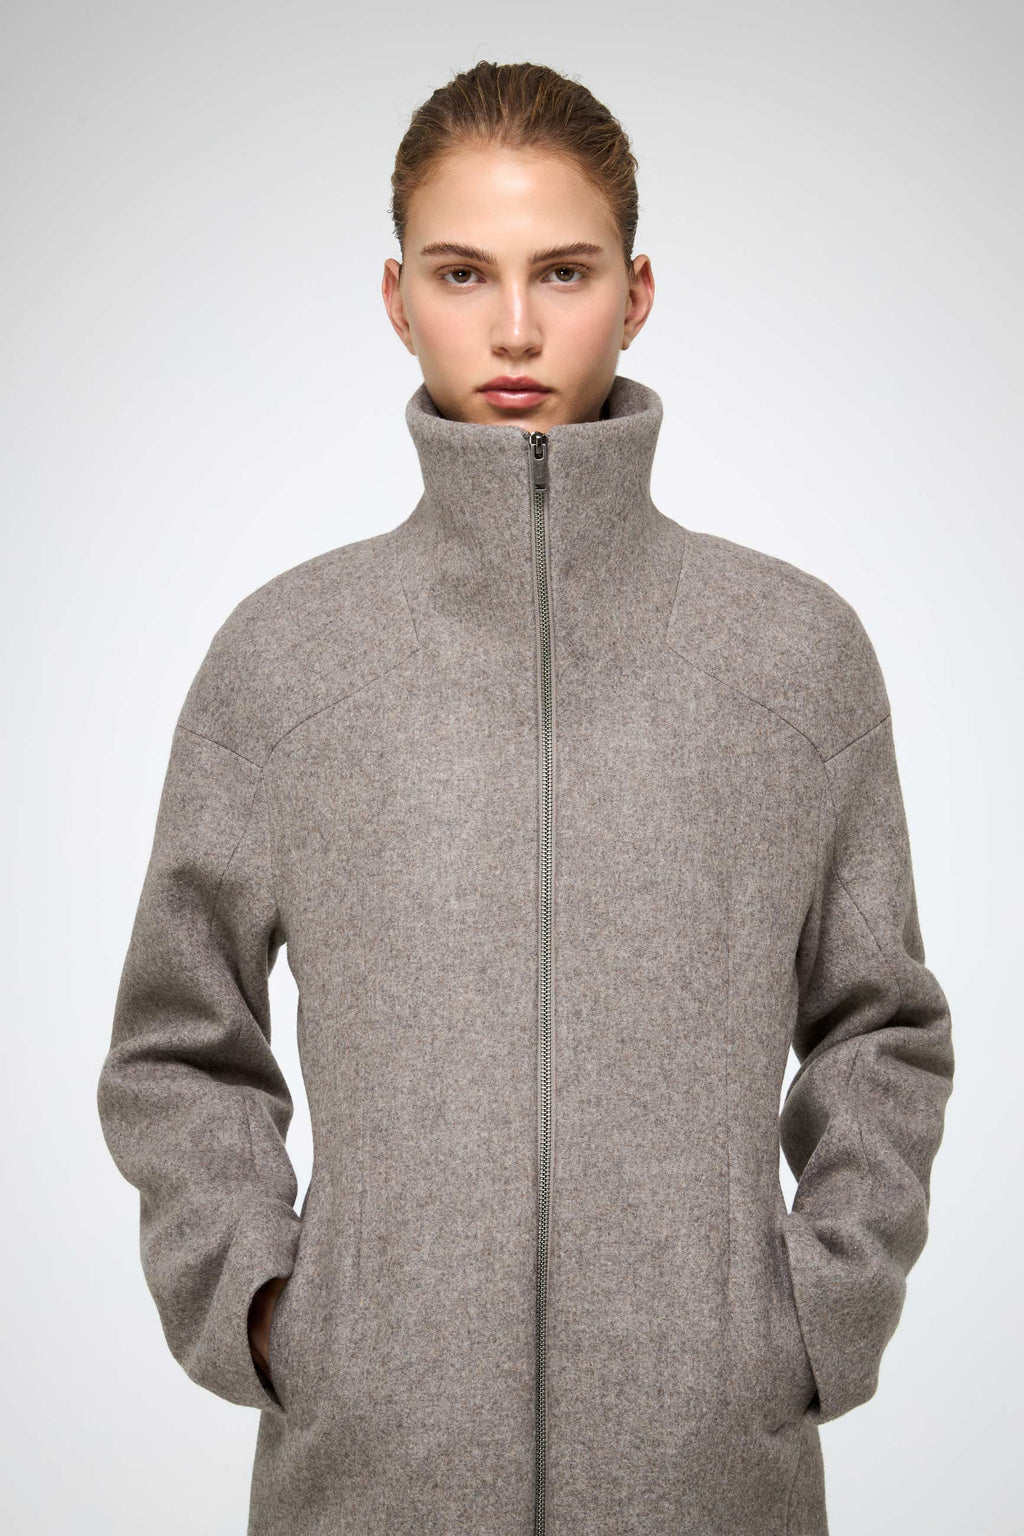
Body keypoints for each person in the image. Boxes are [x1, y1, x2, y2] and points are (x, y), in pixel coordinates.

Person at [96, 59, 954, 1536]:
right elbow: (180, 1042)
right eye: (461, 273)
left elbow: (880, 1028)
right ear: (395, 297)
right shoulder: (289, 659)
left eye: (563, 271)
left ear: (637, 290)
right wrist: (268, 1309)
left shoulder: (792, 654)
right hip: (372, 1477)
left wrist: (814, 1316)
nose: (512, 327)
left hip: (708, 1476)